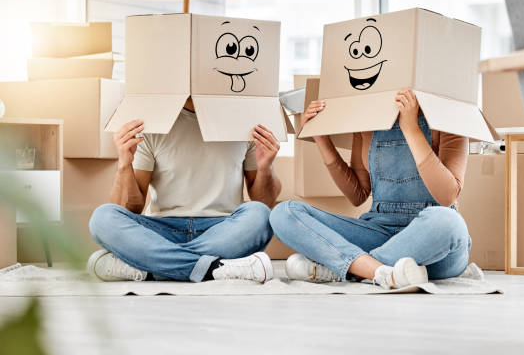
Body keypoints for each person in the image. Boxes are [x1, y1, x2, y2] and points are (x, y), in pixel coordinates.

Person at [270, 89, 471, 289]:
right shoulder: (369, 116)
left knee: (448, 222)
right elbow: (358, 195)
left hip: (434, 244)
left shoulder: (448, 112)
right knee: (284, 213)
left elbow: (447, 196)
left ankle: (348, 269)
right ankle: (379, 271)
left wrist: (410, 128)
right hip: (379, 230)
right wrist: (321, 139)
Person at [87, 99, 281, 283]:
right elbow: (130, 208)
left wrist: (266, 167)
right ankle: (214, 268)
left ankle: (153, 268)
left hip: (221, 230)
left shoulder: (243, 122)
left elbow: (263, 201)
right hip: (162, 230)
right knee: (103, 218)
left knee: (260, 215)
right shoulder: (150, 123)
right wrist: (124, 164)